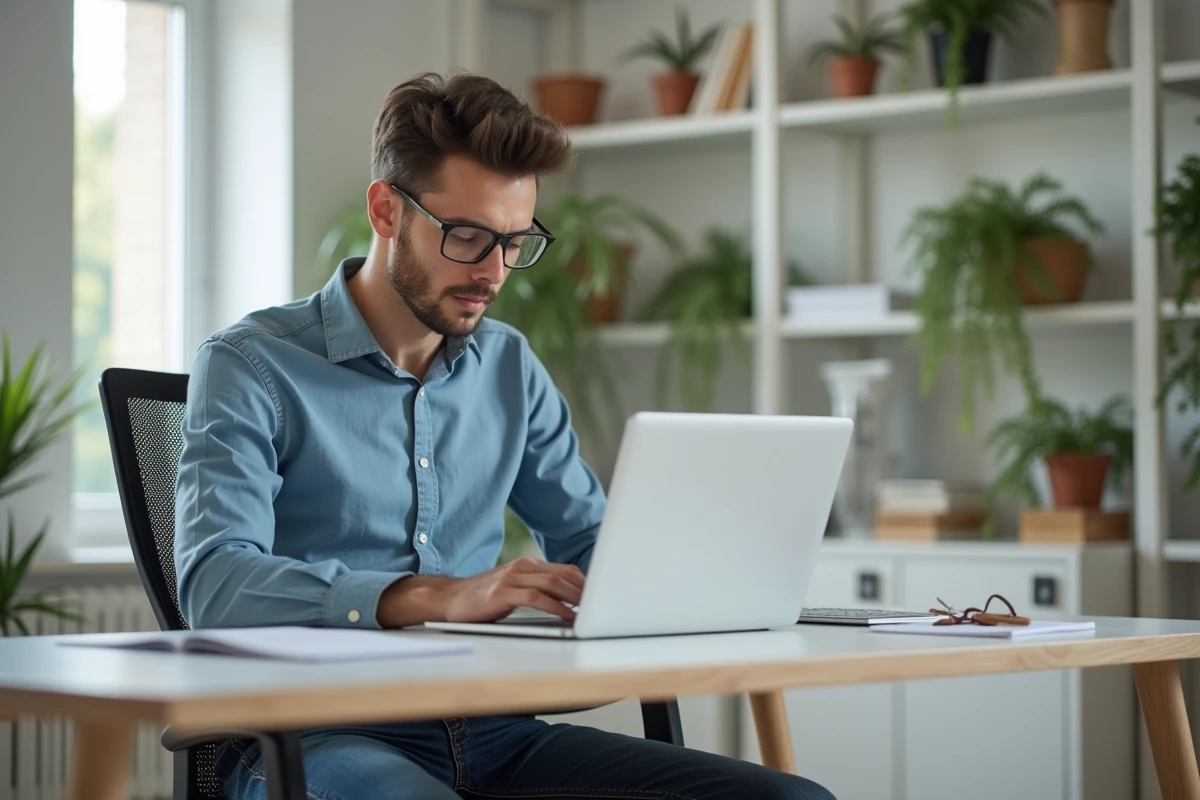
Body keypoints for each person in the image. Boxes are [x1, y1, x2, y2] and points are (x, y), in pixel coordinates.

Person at [175, 71, 836, 800]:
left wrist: (694, 581)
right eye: (468, 237)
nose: (493, 273)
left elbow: (593, 545)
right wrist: (431, 596)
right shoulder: (253, 364)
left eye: (515, 242)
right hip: (315, 736)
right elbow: (216, 583)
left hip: (495, 730)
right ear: (386, 208)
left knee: (788, 799)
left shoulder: (510, 365)